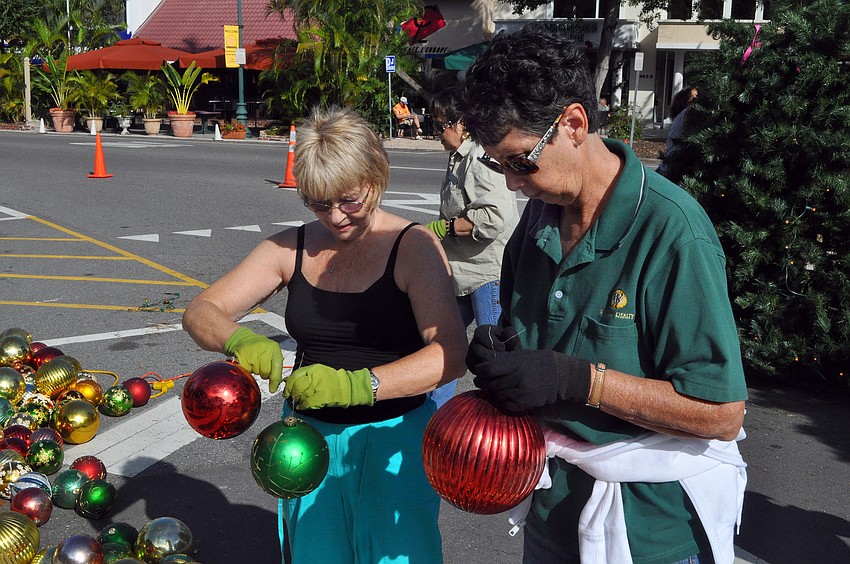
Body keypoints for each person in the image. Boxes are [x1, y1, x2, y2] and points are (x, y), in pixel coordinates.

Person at [461, 29, 748, 564]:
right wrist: (503, 355)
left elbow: (721, 412)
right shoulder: (537, 222)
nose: (511, 184)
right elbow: (534, 345)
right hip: (550, 515)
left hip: (650, 533)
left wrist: (579, 380)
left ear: (573, 124)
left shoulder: (672, 230)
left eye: (520, 161)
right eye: (497, 165)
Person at [182, 106, 467, 563]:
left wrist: (360, 385)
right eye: (319, 203)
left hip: (394, 439)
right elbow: (201, 311)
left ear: (376, 177)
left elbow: (451, 353)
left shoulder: (414, 246)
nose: (336, 217)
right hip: (307, 445)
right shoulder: (291, 247)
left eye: (349, 200)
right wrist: (239, 339)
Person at [424, 87, 519, 408]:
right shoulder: (458, 158)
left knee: (493, 353)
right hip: (461, 273)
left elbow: (496, 216)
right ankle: (432, 410)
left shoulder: (478, 160)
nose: (436, 132)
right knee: (445, 344)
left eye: (440, 125)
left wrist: (445, 228)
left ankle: (501, 417)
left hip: (485, 275)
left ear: (460, 123)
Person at [657, 85, 698, 179]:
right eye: (693, 96)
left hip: (670, 166)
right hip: (675, 167)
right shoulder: (688, 113)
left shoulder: (681, 116)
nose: (696, 99)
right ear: (684, 100)